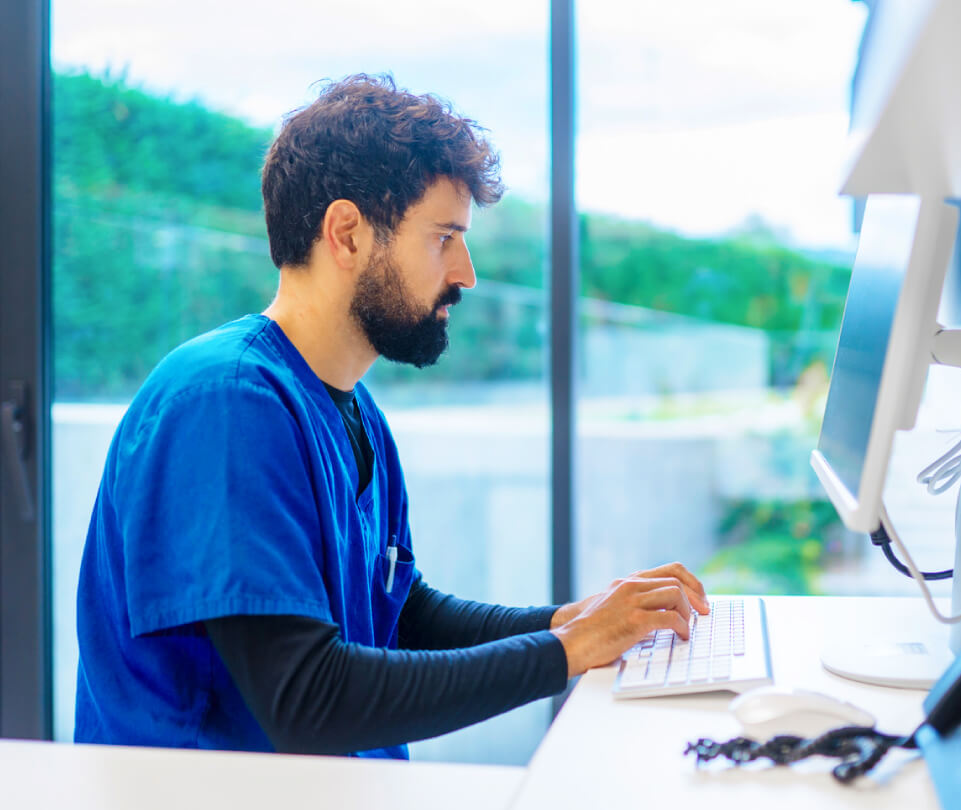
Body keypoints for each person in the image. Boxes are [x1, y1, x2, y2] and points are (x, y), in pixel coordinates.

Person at [74, 74, 709, 758]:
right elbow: (305, 699)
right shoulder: (226, 405)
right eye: (443, 238)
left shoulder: (350, 406)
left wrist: (570, 620)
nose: (465, 273)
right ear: (346, 233)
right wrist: (567, 651)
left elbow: (398, 612)